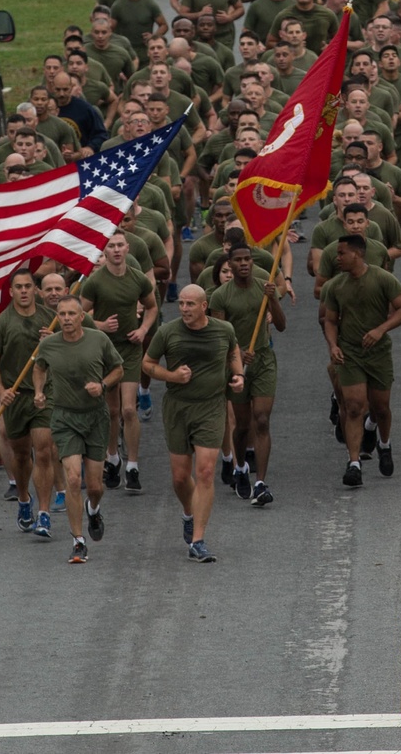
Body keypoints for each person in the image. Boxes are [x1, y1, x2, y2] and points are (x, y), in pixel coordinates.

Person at [142, 285, 245, 562]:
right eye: (182, 304)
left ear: (204, 306)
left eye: (190, 304)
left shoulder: (223, 329)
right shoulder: (168, 332)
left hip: (211, 406)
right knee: (179, 477)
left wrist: (238, 375)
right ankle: (189, 512)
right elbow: (148, 364)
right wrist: (172, 376)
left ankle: (198, 540)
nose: (185, 309)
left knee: (206, 471)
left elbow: (233, 351)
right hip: (178, 408)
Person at [33, 295, 124, 563]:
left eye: (72, 314)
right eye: (62, 314)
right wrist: (39, 392)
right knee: (73, 478)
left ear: (81, 316)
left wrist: (103, 385)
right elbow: (39, 368)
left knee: (94, 486)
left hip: (96, 418)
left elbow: (118, 369)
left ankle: (93, 509)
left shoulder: (98, 340)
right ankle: (78, 541)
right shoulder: (49, 345)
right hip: (64, 418)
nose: (66, 319)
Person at [321, 234, 401, 487]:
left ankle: (384, 444)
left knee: (380, 407)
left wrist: (381, 330)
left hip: (378, 352)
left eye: (341, 254)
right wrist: (334, 345)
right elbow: (329, 320)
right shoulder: (336, 285)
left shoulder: (383, 279)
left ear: (357, 254)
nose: (337, 258)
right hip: (350, 353)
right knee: (354, 407)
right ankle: (354, 463)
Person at [80, 232, 157, 495]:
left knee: (128, 410)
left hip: (130, 348)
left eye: (119, 245)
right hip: (104, 350)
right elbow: (76, 313)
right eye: (110, 246)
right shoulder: (95, 281)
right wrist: (99, 325)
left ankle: (132, 466)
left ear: (127, 248)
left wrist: (144, 329)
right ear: (104, 250)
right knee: (111, 411)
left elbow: (152, 307)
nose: (115, 250)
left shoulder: (137, 278)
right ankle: (112, 457)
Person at [208, 243, 286, 506]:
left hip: (263, 359)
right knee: (241, 426)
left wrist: (273, 298)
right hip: (235, 365)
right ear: (229, 265)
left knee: (261, 420)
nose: (243, 264)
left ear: (253, 262)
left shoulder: (264, 286)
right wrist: (238, 353)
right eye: (238, 260)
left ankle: (261, 483)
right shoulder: (220, 296)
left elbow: (282, 325)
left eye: (247, 259)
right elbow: (219, 338)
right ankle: (240, 467)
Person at [0, 270, 56, 537]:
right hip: (14, 398)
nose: (24, 291)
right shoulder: (0, 323)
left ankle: (45, 514)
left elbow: (68, 349)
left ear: (36, 290)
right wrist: (1, 391)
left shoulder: (51, 319)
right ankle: (24, 499)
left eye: (28, 286)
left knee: (45, 451)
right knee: (22, 456)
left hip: (42, 395)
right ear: (11, 291)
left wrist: (53, 343)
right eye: (19, 287)